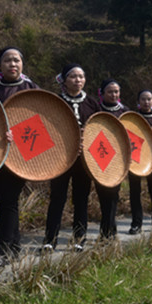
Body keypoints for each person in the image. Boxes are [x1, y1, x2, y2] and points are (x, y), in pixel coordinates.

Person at [0, 47, 39, 270]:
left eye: (16, 60)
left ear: (22, 64)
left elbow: (41, 122)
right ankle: (15, 247)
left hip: (23, 153)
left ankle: (2, 251)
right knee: (7, 200)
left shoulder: (31, 89)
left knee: (8, 200)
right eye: (7, 60)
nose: (12, 64)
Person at [41, 64, 100, 252]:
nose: (78, 80)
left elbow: (100, 130)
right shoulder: (56, 102)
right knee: (57, 198)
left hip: (83, 160)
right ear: (64, 80)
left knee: (81, 198)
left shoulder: (92, 104)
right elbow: (45, 127)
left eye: (81, 76)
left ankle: (79, 239)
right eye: (73, 76)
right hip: (61, 158)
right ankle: (50, 239)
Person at [95, 79, 129, 240]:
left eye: (116, 91)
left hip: (118, 161)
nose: (114, 94)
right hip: (99, 159)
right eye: (110, 91)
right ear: (102, 93)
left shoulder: (125, 113)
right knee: (103, 196)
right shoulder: (97, 110)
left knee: (113, 196)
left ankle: (108, 231)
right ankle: (107, 230)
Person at [128, 90, 152, 234]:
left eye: (149, 99)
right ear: (138, 101)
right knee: (135, 192)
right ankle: (136, 223)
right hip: (135, 160)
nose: (146, 102)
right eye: (143, 99)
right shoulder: (132, 119)